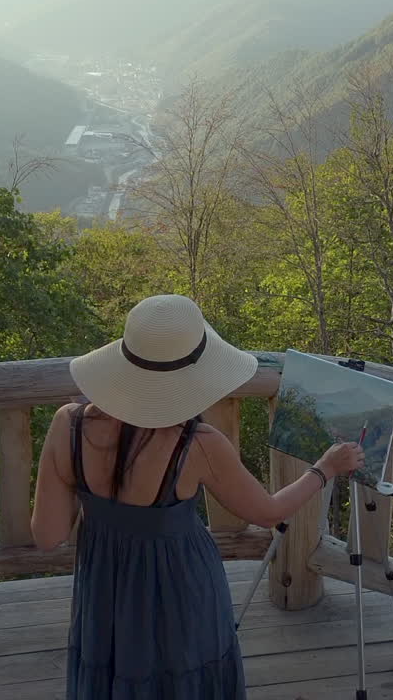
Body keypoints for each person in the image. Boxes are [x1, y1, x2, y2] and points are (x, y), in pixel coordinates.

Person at [31, 294, 365, 699]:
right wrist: (325, 468)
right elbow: (268, 512)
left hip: (103, 595)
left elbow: (47, 535)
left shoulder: (68, 423)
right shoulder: (197, 444)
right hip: (179, 592)